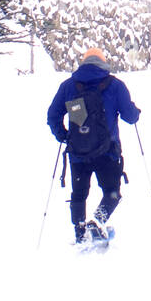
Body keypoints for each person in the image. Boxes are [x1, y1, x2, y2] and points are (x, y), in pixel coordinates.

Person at [47, 48, 142, 245]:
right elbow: (130, 117)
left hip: (78, 153)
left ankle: (80, 231)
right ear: (103, 63)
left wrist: (64, 136)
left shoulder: (69, 86)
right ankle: (98, 221)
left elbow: (53, 115)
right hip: (107, 152)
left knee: (79, 194)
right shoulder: (115, 85)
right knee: (111, 192)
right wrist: (135, 111)